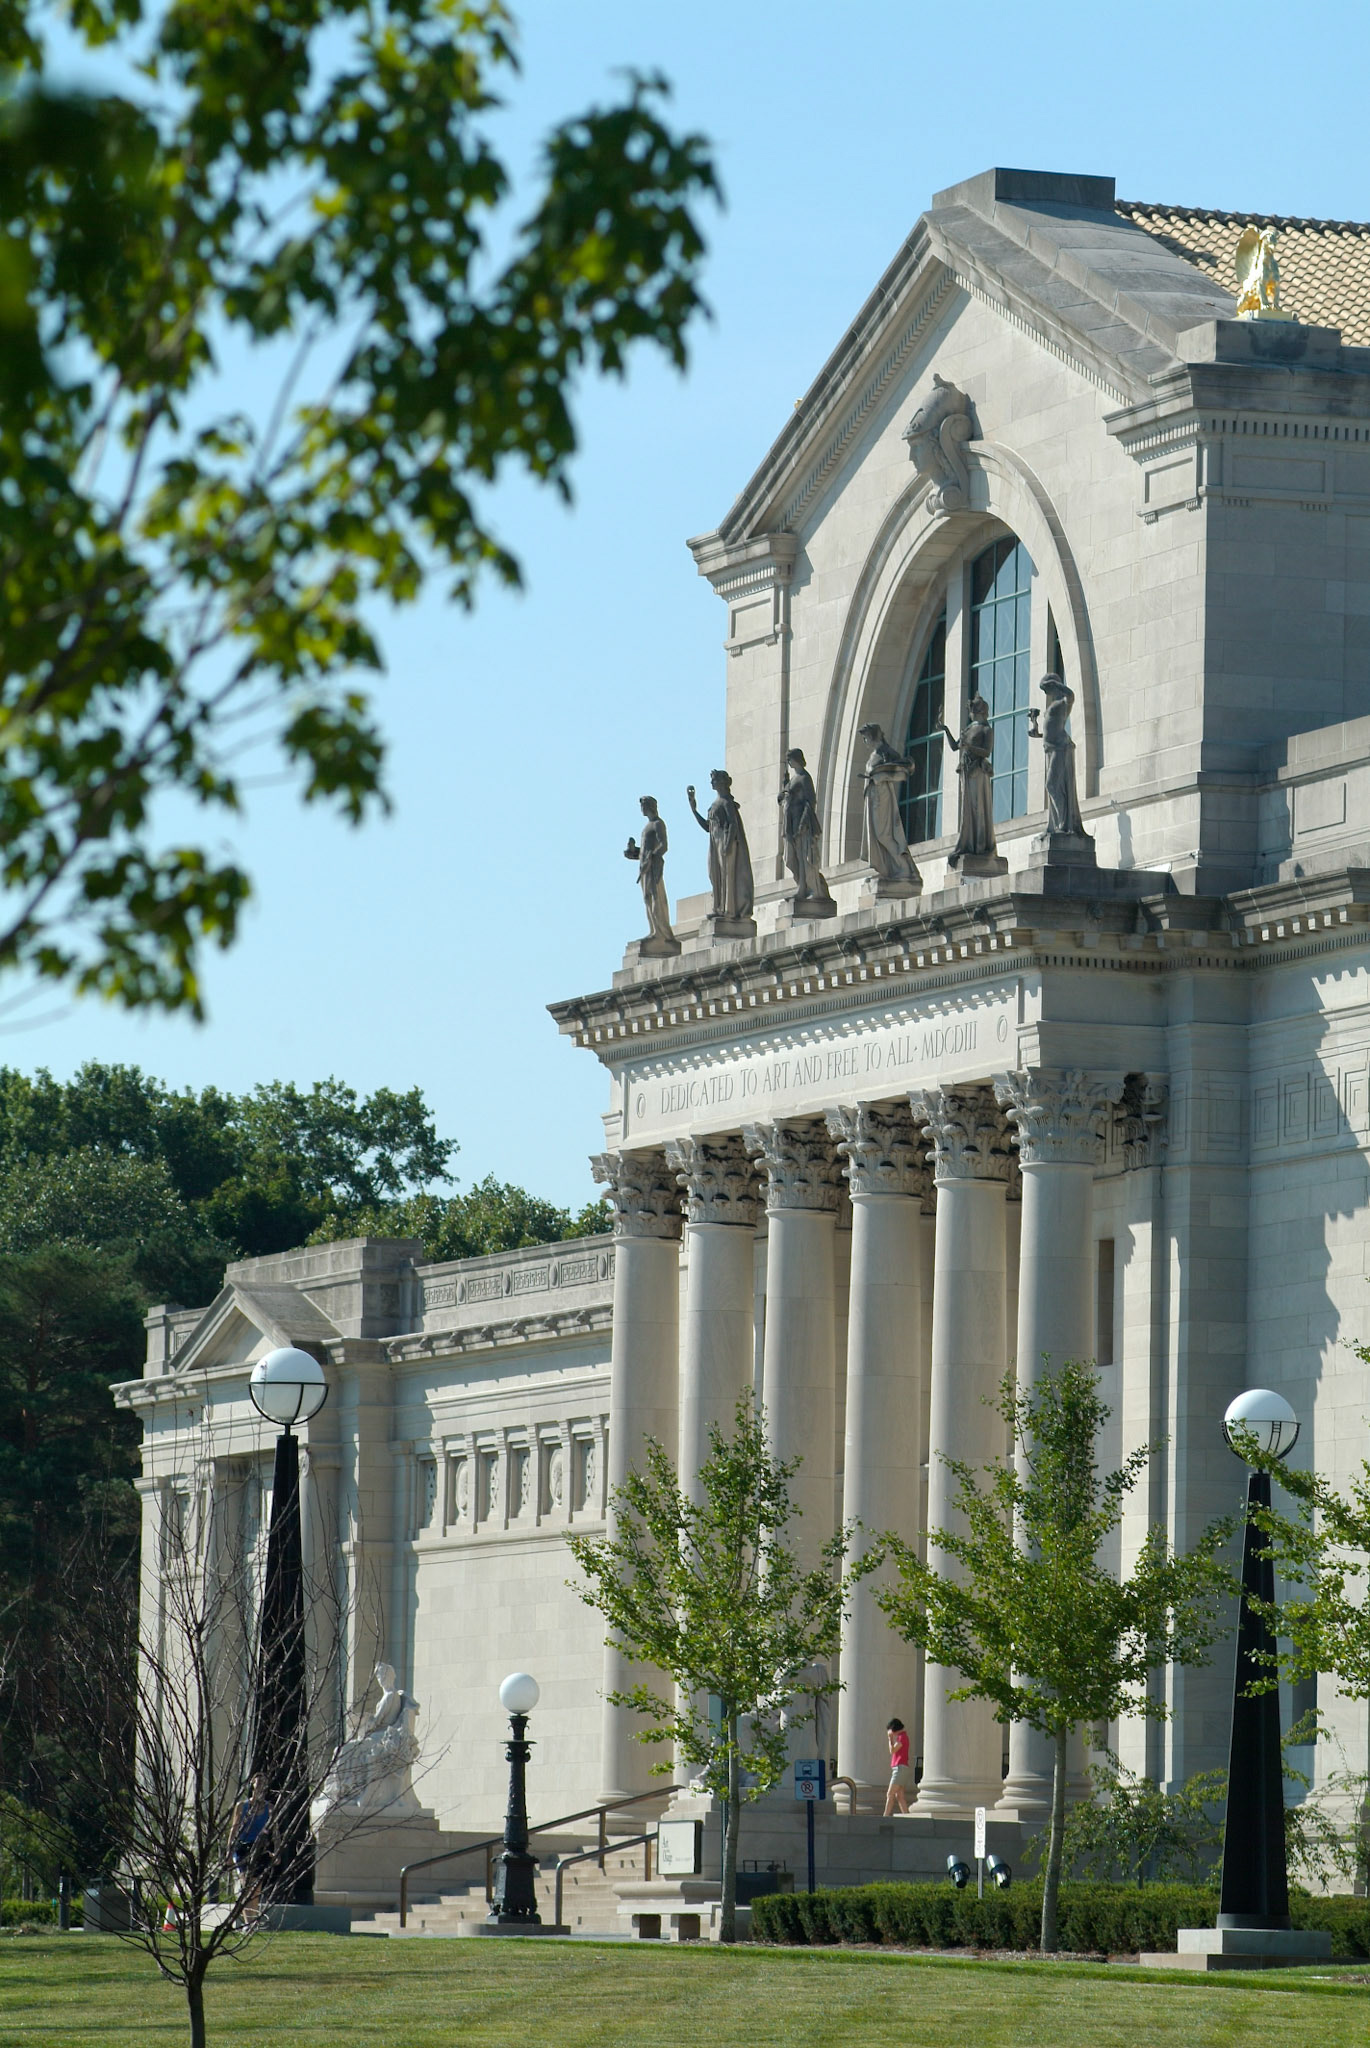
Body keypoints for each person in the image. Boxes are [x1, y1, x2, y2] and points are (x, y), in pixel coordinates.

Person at [686, 769, 754, 923]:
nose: (711, 782)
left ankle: (728, 910)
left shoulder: (726, 802)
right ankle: (718, 907)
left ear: (722, 782)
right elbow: (707, 827)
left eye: (714, 780)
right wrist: (694, 809)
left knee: (727, 875)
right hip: (714, 843)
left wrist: (728, 844)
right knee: (714, 874)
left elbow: (733, 824)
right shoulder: (715, 803)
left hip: (725, 842)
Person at [940, 694, 998, 866]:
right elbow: (954, 746)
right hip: (966, 770)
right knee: (968, 808)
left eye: (972, 710)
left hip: (977, 772)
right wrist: (945, 729)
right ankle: (968, 843)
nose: (970, 713)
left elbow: (986, 752)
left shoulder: (986, 729)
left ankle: (979, 845)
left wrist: (969, 746)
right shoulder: (970, 728)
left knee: (978, 807)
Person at [232, 1772, 272, 1911]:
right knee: (246, 1885)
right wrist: (229, 1851)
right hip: (243, 1848)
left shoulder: (269, 1808)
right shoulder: (242, 1806)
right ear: (252, 1785)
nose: (261, 1786)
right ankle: (248, 1922)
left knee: (256, 1889)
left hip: (260, 1848)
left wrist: (276, 1851)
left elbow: (275, 1831)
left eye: (263, 1784)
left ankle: (252, 1919)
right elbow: (234, 1828)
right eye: (258, 1783)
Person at [884, 1717, 913, 1817]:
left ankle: (885, 1816)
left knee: (890, 1793)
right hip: (901, 1768)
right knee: (899, 1796)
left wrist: (890, 1738)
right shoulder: (903, 1737)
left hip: (900, 1768)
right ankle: (907, 1815)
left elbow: (892, 1750)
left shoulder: (902, 1737)